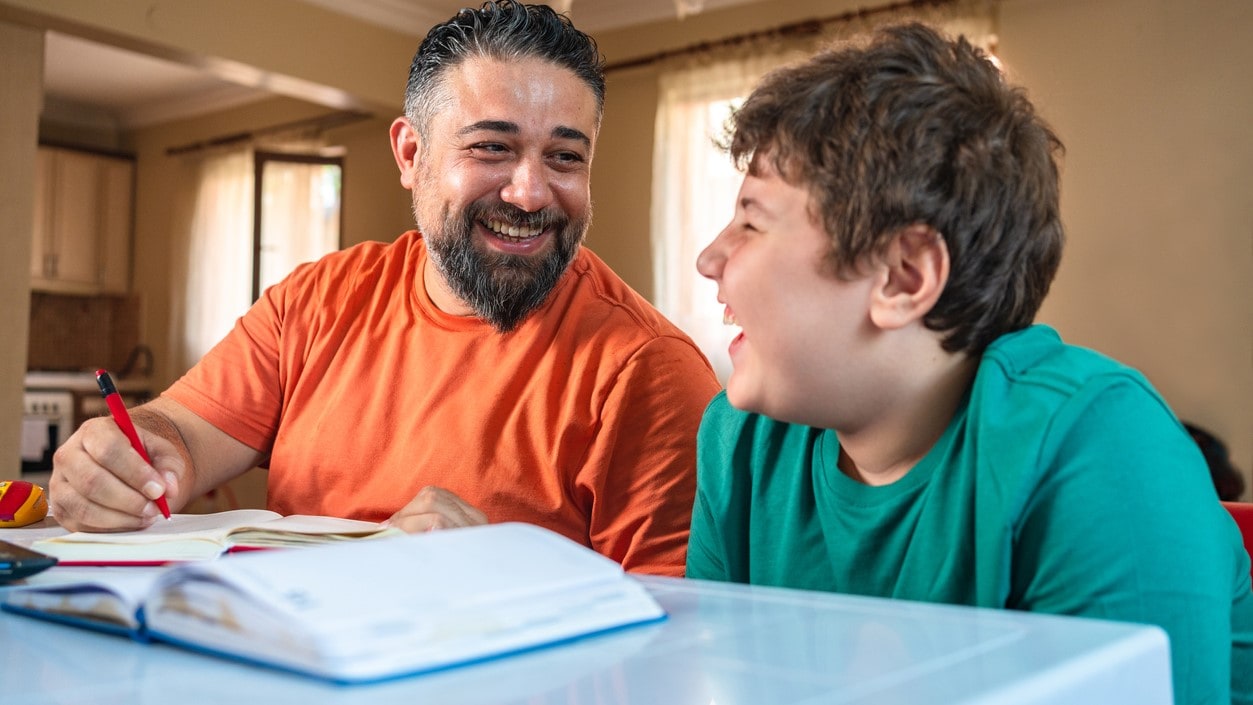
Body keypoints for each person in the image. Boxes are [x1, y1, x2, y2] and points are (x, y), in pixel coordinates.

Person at [49, 0, 720, 577]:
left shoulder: (648, 371)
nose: (529, 192)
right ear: (410, 154)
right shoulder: (313, 302)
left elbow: (676, 647)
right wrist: (127, 457)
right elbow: (180, 437)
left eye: (566, 156)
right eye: (491, 147)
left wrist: (506, 575)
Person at [685, 22, 1252, 703]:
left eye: (751, 220)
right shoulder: (740, 441)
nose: (710, 258)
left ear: (902, 275)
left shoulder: (1099, 447)